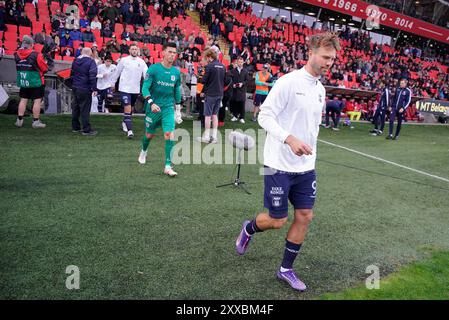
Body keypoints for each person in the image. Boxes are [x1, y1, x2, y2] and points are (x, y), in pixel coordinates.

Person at [235, 32, 340, 291]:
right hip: (277, 163)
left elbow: (312, 127)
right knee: (277, 219)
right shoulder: (288, 82)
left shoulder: (321, 89)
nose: (329, 63)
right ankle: (249, 228)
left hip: (305, 168)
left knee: (305, 215)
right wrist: (289, 139)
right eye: (326, 57)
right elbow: (264, 117)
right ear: (312, 52)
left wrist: (310, 151)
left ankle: (285, 269)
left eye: (333, 59)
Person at [138, 42, 182, 177]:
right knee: (149, 135)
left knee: (169, 134)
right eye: (169, 52)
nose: (172, 55)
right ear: (163, 53)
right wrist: (151, 102)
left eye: (174, 53)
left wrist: (178, 109)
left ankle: (168, 166)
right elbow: (145, 88)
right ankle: (144, 151)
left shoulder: (176, 72)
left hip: (168, 108)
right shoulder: (153, 69)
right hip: (153, 108)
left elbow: (176, 90)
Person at [111, 43, 148, 139]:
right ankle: (130, 131)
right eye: (132, 49)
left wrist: (149, 84)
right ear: (129, 50)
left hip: (135, 89)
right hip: (124, 88)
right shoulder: (124, 60)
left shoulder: (141, 61)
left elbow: (146, 74)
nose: (134, 51)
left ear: (138, 50)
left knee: (130, 108)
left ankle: (125, 121)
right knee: (127, 107)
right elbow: (117, 72)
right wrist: (112, 83)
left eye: (135, 49)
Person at [14, 35, 48, 129]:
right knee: (37, 101)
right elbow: (44, 68)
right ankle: (35, 122)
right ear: (32, 44)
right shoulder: (37, 54)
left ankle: (19, 120)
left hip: (24, 80)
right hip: (36, 80)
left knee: (23, 99)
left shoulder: (16, 54)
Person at [197, 48, 225, 144]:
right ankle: (214, 137)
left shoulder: (209, 66)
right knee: (214, 114)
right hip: (220, 93)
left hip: (211, 94)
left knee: (208, 115)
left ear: (209, 57)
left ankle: (206, 136)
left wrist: (200, 74)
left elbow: (204, 81)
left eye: (206, 57)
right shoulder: (222, 66)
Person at [71, 47, 98, 135]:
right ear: (90, 53)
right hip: (85, 88)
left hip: (75, 87)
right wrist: (94, 88)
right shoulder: (91, 62)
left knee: (76, 108)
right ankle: (86, 129)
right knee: (85, 109)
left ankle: (75, 127)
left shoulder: (75, 61)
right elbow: (92, 76)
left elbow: (71, 74)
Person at [230, 56, 250, 123]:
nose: (240, 63)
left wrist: (243, 83)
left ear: (243, 63)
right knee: (235, 103)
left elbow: (247, 80)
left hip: (242, 90)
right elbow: (231, 80)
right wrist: (233, 84)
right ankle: (235, 116)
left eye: (241, 62)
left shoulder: (245, 71)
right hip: (235, 90)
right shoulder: (233, 71)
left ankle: (242, 117)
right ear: (237, 62)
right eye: (239, 62)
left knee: (242, 104)